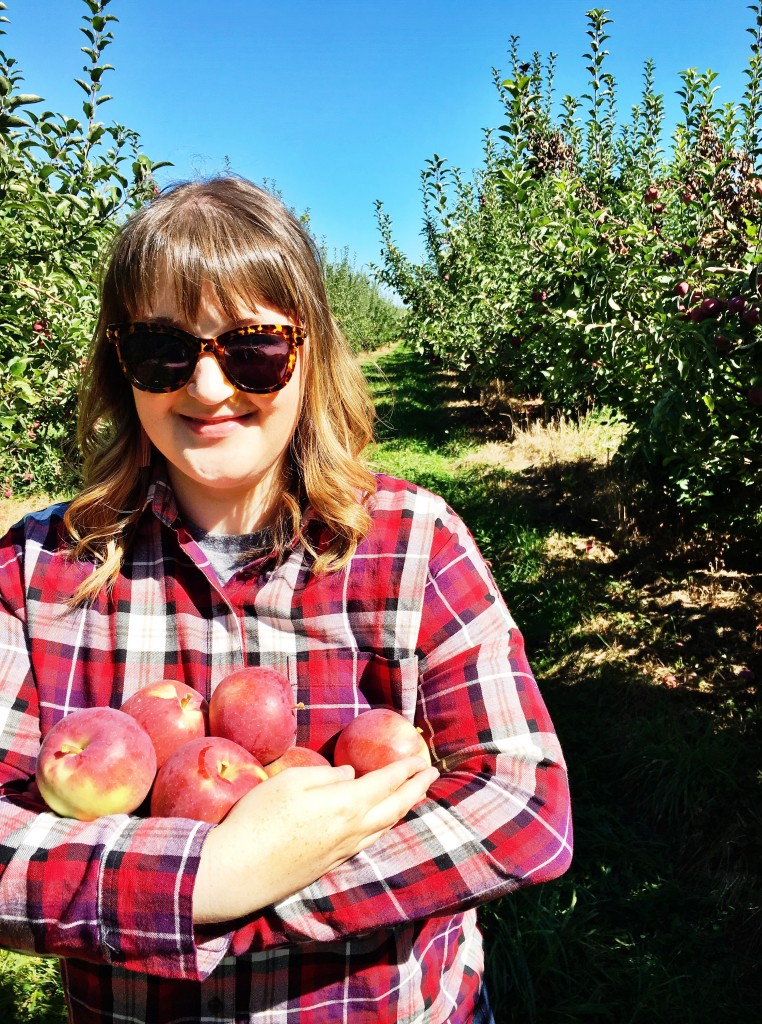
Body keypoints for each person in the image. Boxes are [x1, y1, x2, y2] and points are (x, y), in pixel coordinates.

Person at [0, 176, 573, 1024]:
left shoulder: (411, 543)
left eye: (253, 348)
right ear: (119, 366)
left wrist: (254, 887)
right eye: (161, 349)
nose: (205, 388)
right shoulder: (41, 569)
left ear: (311, 355)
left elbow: (526, 809)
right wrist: (215, 876)